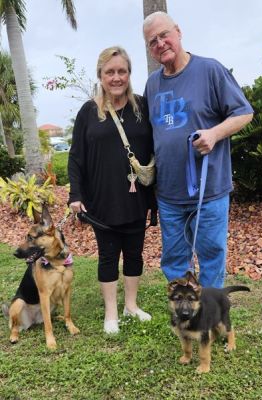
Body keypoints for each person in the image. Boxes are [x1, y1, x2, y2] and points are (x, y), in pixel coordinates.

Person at [143, 12, 253, 288]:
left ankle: (210, 318)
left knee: (211, 257)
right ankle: (187, 316)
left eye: (164, 35)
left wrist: (215, 133)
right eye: (152, 41)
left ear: (178, 32)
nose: (160, 43)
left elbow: (244, 112)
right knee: (175, 261)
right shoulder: (153, 84)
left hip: (210, 191)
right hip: (169, 195)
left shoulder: (210, 70)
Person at [68, 46, 156, 334]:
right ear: (100, 75)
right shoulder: (89, 111)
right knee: (108, 255)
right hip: (102, 199)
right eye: (110, 72)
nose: (116, 77)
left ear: (129, 74)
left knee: (134, 253)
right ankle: (111, 314)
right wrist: (76, 195)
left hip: (135, 197)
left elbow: (157, 147)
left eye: (122, 71)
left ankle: (130, 306)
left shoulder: (141, 107)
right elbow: (76, 156)